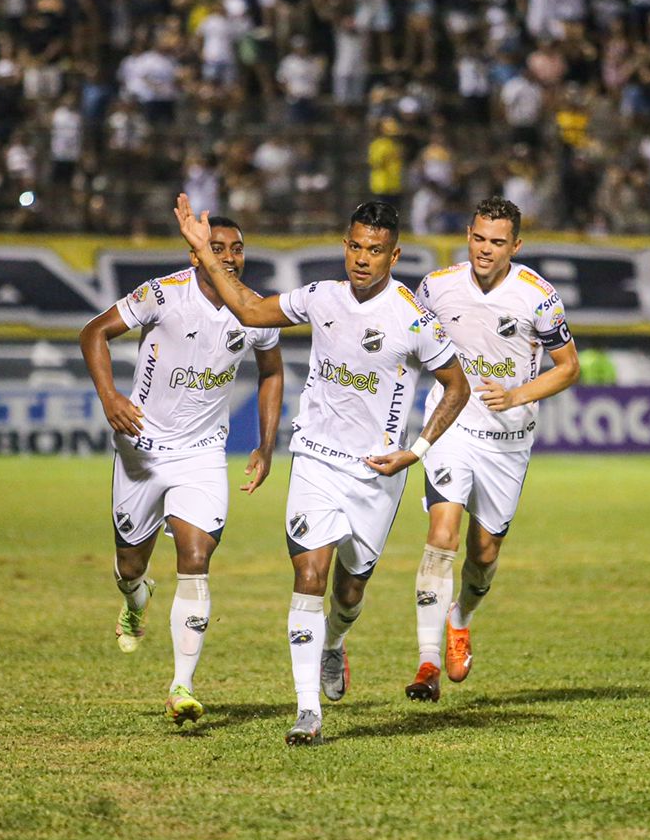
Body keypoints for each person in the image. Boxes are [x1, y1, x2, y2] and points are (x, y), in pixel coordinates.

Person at [174, 193, 470, 746]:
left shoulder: (413, 318)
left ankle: (334, 641)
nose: (362, 258)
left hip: (377, 473)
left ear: (394, 254)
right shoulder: (321, 297)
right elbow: (250, 310)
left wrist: (419, 449)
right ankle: (308, 711)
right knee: (308, 576)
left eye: (375, 250)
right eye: (355, 246)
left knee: (351, 590)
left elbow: (458, 386)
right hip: (313, 459)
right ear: (345, 246)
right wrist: (204, 253)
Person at [79, 215, 285, 727]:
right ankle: (136, 598)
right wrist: (110, 397)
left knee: (196, 556)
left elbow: (272, 371)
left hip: (202, 455)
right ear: (196, 253)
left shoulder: (253, 311)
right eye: (218, 247)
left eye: (237, 248)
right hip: (142, 450)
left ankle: (182, 686)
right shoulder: (163, 294)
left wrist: (265, 443)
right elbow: (94, 333)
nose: (230, 256)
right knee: (130, 565)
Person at [406, 196, 580, 699]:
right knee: (443, 532)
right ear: (468, 234)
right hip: (451, 427)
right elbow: (410, 347)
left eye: (497, 242)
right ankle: (427, 662)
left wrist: (517, 395)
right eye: (479, 238)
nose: (485, 250)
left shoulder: (538, 297)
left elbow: (568, 367)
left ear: (516, 246)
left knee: (484, 554)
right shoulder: (436, 287)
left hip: (507, 440)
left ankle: (459, 618)